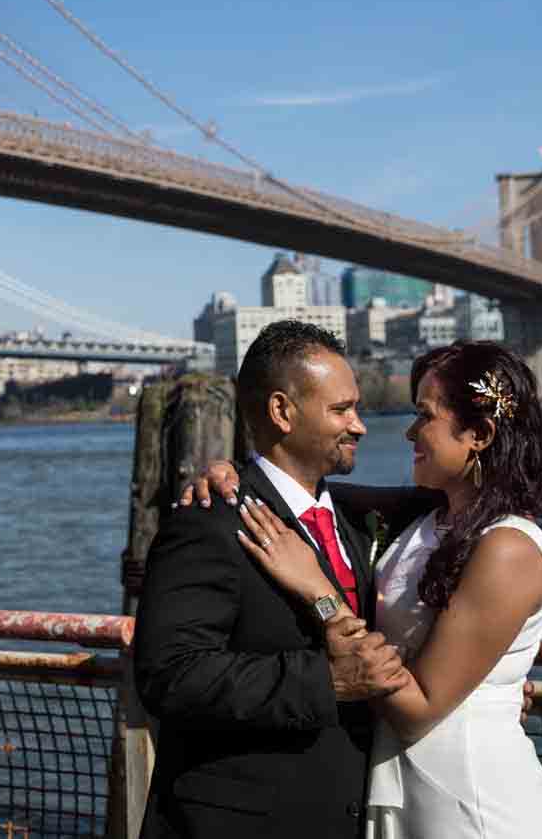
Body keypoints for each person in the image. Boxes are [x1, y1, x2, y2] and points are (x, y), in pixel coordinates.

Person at [222, 340, 542, 837]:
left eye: (424, 415)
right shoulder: (433, 516)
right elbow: (299, 489)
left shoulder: (508, 548)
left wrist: (319, 591)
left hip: (471, 804)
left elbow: (418, 709)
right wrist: (234, 477)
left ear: (480, 434)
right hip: (403, 789)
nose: (409, 432)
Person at [132, 320, 433, 837]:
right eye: (341, 410)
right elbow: (169, 675)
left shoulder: (351, 522)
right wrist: (326, 682)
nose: (359, 425)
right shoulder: (210, 522)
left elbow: (458, 506)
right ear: (281, 412)